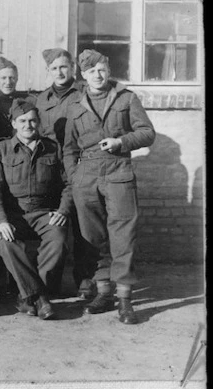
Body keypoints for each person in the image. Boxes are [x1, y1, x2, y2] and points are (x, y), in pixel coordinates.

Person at [63, 49, 156, 325]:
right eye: (92, 71)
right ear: (83, 75)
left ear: (109, 69)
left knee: (123, 235)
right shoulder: (75, 105)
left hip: (118, 171)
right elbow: (68, 149)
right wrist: (75, 177)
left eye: (102, 69)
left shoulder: (126, 98)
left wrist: (121, 143)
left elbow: (147, 133)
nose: (98, 75)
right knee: (94, 237)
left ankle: (125, 299)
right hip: (86, 176)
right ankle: (104, 292)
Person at [0, 100, 71, 320]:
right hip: (14, 214)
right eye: (22, 121)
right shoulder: (1, 149)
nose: (28, 125)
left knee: (58, 238)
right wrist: (1, 221)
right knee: (5, 242)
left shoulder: (52, 148)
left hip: (44, 213)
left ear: (38, 122)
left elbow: (69, 184)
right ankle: (39, 297)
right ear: (13, 123)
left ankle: (27, 296)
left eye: (32, 120)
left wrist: (62, 210)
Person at [35, 47, 97, 299]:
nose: (59, 72)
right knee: (56, 222)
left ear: (72, 68)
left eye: (63, 67)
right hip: (52, 167)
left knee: (83, 224)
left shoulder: (84, 92)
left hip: (81, 163)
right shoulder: (41, 99)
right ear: (48, 71)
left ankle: (85, 279)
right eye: (54, 68)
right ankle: (54, 280)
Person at [0, 56, 37, 145]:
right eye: (3, 78)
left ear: (17, 78)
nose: (8, 82)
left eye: (12, 77)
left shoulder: (29, 101)